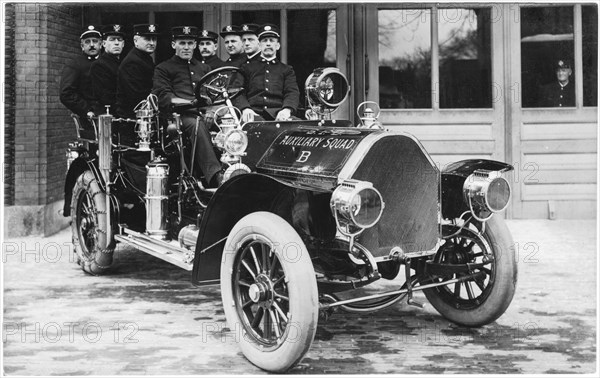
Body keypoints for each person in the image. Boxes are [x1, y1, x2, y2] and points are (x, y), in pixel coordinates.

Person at [152, 26, 223, 187]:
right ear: (173, 45)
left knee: (230, 125)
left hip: (204, 115)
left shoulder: (204, 68)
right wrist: (191, 103)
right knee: (196, 125)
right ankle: (215, 176)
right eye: (182, 43)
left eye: (190, 43)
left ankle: (236, 170)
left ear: (195, 45)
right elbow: (164, 97)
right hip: (178, 117)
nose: (186, 47)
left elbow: (214, 95)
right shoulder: (163, 68)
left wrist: (212, 111)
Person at [236, 24, 300, 122]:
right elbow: (237, 92)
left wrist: (286, 109)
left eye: (272, 41)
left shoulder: (286, 70)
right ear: (259, 45)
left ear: (278, 46)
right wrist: (245, 108)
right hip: (253, 114)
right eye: (264, 41)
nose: (268, 44)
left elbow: (292, 92)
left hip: (279, 115)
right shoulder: (246, 68)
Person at [116, 23, 161, 118]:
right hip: (134, 118)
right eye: (147, 39)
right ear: (135, 40)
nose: (152, 43)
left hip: (144, 114)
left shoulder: (144, 58)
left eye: (154, 39)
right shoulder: (132, 62)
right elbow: (137, 95)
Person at [59, 25, 102, 120]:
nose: (91, 45)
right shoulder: (75, 64)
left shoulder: (106, 62)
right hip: (90, 117)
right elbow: (66, 94)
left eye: (95, 41)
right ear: (82, 46)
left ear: (101, 44)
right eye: (87, 42)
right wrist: (86, 110)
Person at [91, 24, 125, 115]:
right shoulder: (99, 65)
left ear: (123, 44)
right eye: (112, 39)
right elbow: (105, 96)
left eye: (119, 40)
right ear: (104, 44)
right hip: (108, 115)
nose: (117, 43)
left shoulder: (123, 64)